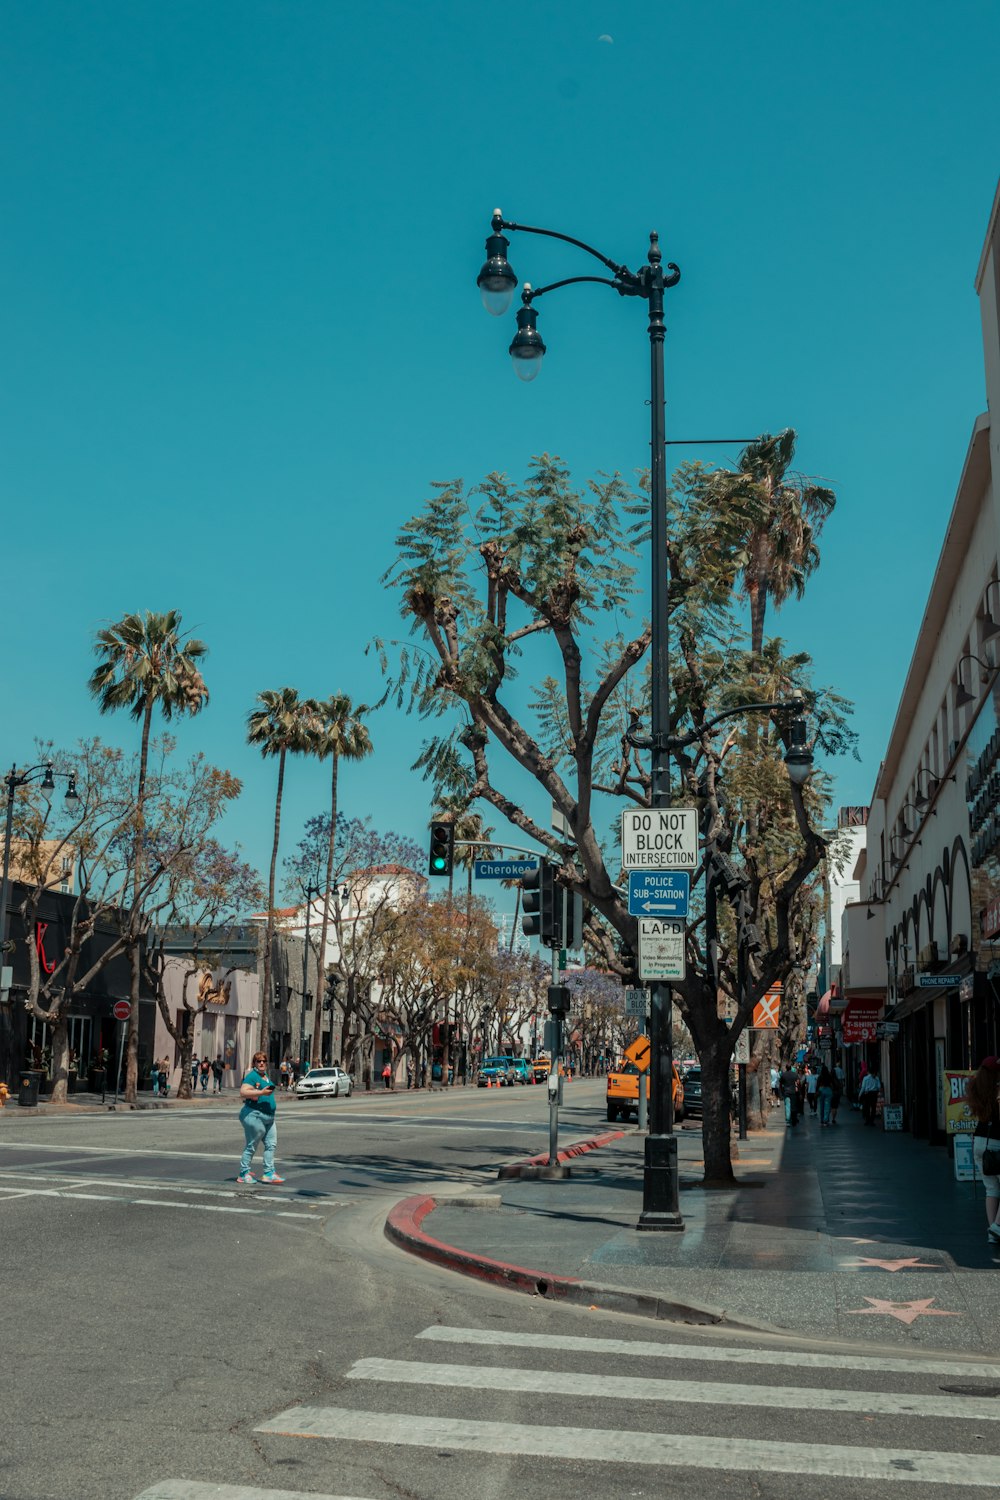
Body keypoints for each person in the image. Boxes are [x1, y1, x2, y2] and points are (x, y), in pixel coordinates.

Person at [966, 1056, 1000, 1241]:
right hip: (997, 1141)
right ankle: (997, 1226)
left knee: (991, 1189)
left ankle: (993, 1232)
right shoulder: (997, 1092)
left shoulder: (976, 1089)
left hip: (979, 1140)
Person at [237, 1050, 283, 1184]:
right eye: (259, 1061)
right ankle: (243, 1173)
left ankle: (269, 1173)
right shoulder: (252, 1076)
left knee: (271, 1145)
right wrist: (262, 1092)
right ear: (254, 1063)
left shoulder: (265, 1076)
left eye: (264, 1061)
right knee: (252, 1145)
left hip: (269, 1117)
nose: (262, 1063)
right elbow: (243, 1091)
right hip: (255, 1115)